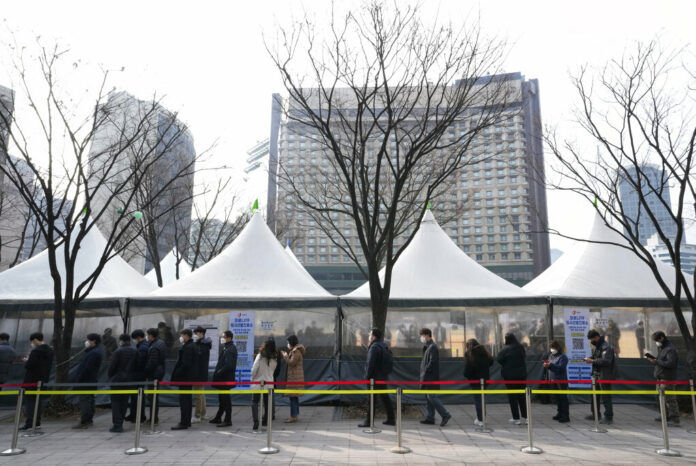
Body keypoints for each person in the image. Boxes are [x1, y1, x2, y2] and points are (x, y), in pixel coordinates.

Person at [358, 328, 395, 428]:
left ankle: (368, 422)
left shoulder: (374, 347)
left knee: (371, 399)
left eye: (370, 334)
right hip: (382, 377)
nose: (369, 336)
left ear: (373, 336)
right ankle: (391, 419)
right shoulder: (384, 345)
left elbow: (370, 363)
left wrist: (367, 376)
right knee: (385, 397)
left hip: (374, 378)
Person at [19, 332, 53, 431]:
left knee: (30, 403)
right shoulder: (49, 350)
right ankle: (37, 422)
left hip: (31, 380)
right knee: (38, 402)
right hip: (43, 380)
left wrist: (27, 360)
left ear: (35, 340)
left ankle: (29, 423)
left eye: (32, 341)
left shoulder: (36, 351)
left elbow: (29, 365)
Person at [418, 328, 451, 427]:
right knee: (428, 398)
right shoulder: (427, 346)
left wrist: (426, 372)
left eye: (422, 335)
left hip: (430, 377)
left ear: (427, 335)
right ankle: (430, 417)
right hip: (427, 377)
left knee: (431, 397)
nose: (421, 338)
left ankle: (445, 414)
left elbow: (432, 362)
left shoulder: (433, 347)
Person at [647, 330, 679, 425]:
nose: (656, 342)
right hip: (660, 377)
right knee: (659, 397)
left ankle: (675, 418)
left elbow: (671, 363)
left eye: (657, 340)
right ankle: (665, 415)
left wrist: (656, 361)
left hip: (667, 377)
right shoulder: (662, 348)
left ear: (662, 338)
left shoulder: (670, 349)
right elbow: (661, 360)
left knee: (670, 398)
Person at [584, 329, 616, 424]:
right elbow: (596, 357)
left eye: (592, 339)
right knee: (594, 395)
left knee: (606, 396)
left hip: (604, 375)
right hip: (596, 374)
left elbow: (606, 361)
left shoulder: (606, 347)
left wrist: (593, 361)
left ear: (596, 337)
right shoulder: (597, 347)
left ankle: (608, 417)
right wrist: (590, 358)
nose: (591, 341)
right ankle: (595, 414)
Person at [73, 333, 104, 429]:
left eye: (88, 340)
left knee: (85, 400)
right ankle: (88, 419)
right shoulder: (93, 352)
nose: (86, 342)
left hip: (86, 381)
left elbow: (87, 368)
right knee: (89, 400)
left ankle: (85, 420)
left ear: (93, 341)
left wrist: (80, 377)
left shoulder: (94, 353)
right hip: (89, 380)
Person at [108, 334, 137, 433]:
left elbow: (112, 367)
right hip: (129, 380)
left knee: (116, 402)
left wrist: (111, 376)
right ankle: (120, 422)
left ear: (121, 341)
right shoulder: (135, 351)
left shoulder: (118, 351)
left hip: (117, 380)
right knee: (124, 401)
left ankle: (117, 424)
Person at [171, 329, 198, 430]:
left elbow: (185, 364)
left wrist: (177, 373)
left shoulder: (188, 347)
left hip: (185, 377)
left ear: (186, 335)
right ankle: (186, 421)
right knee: (187, 400)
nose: (181, 336)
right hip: (189, 377)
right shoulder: (192, 345)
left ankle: (184, 422)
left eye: (182, 335)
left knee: (184, 401)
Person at [497, 332, 527, 425]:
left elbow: (499, 359)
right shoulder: (520, 348)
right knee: (522, 396)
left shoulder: (506, 349)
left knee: (512, 397)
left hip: (509, 376)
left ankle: (516, 418)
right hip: (521, 376)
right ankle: (526, 418)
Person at [209, 330, 237, 427]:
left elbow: (229, 365)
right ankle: (218, 417)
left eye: (224, 337)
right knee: (222, 399)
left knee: (226, 400)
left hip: (225, 379)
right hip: (223, 379)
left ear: (229, 338)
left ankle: (228, 420)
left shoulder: (230, 349)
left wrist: (219, 372)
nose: (222, 338)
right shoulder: (227, 347)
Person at [464, 338, 493, 427]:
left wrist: (468, 375)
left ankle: (480, 419)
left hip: (476, 381)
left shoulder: (471, 355)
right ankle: (483, 417)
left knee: (478, 400)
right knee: (482, 399)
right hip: (485, 379)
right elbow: (491, 362)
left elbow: (467, 371)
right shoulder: (485, 352)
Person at [251, 339, 278, 430]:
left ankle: (256, 422)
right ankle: (266, 421)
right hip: (269, 382)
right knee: (267, 403)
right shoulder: (275, 357)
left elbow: (254, 369)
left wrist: (253, 377)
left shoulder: (260, 356)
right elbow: (273, 371)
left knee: (255, 402)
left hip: (258, 382)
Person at [125, 329, 149, 422]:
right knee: (135, 396)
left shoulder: (142, 347)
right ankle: (134, 414)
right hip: (138, 374)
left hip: (138, 375)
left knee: (137, 396)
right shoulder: (142, 345)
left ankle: (139, 416)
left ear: (138, 338)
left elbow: (140, 362)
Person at [280, 334, 305, 423]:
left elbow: (291, 363)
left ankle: (293, 416)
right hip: (294, 377)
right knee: (294, 397)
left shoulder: (296, 352)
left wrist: (285, 356)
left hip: (294, 378)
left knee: (293, 397)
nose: (287, 344)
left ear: (291, 343)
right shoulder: (295, 351)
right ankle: (295, 415)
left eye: (288, 343)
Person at [543, 340, 569, 423]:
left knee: (563, 398)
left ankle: (565, 415)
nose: (551, 349)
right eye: (550, 348)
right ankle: (559, 413)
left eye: (552, 348)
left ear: (557, 347)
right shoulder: (551, 356)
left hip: (561, 380)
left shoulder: (563, 357)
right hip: (553, 380)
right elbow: (551, 366)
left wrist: (550, 365)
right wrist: (547, 365)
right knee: (557, 398)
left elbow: (560, 368)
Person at [145, 327, 167, 424]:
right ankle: (154, 417)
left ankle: (153, 418)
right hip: (159, 371)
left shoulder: (154, 347)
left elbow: (152, 363)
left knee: (152, 397)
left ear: (150, 336)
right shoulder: (161, 343)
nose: (147, 337)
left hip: (154, 374)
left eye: (147, 335)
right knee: (154, 396)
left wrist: (146, 371)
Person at [192, 326, 211, 423]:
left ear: (201, 334)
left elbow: (198, 360)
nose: (195, 335)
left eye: (196, 333)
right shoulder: (203, 344)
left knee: (198, 395)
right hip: (201, 373)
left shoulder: (202, 346)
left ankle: (197, 415)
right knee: (201, 394)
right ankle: (203, 413)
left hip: (199, 373)